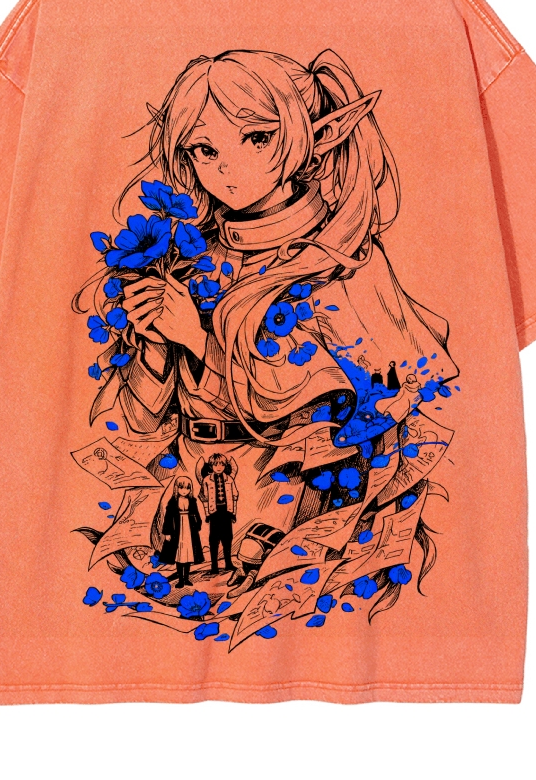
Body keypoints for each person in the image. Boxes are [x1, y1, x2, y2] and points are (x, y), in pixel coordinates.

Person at [74, 49, 459, 609]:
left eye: (256, 139)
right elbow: (140, 419)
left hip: (292, 504)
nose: (227, 168)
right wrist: (156, 347)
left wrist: (196, 339)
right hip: (186, 494)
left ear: (309, 139)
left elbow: (338, 407)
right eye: (205, 149)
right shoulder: (190, 256)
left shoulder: (342, 263)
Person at [157, 476, 204, 586]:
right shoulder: (173, 502)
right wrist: (167, 532)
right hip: (177, 531)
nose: (184, 491)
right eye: (181, 487)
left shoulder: (192, 501)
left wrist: (198, 524)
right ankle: (180, 580)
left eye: (187, 488)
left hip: (189, 530)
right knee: (179, 555)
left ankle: (186, 579)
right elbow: (168, 518)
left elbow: (197, 514)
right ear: (176, 488)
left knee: (189, 554)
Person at [196, 453, 238, 573]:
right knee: (214, 540)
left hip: (227, 512)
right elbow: (203, 498)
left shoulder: (229, 479)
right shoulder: (206, 480)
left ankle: (228, 564)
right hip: (214, 513)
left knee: (227, 539)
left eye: (221, 465)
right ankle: (214, 566)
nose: (219, 467)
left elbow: (235, 496)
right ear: (211, 466)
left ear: (225, 466)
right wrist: (207, 514)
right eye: (215, 465)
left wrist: (233, 513)